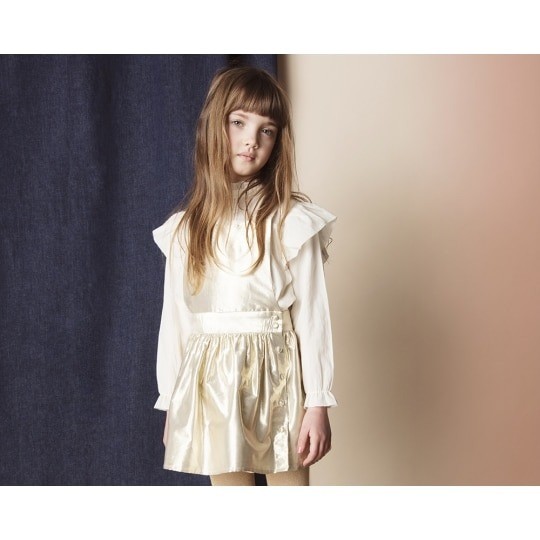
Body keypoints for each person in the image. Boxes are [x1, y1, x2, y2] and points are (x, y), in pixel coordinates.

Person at [151, 66, 337, 486]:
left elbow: (312, 316)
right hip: (212, 383)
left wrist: (317, 402)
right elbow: (177, 321)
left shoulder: (291, 222)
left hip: (279, 379)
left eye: (266, 130)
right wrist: (174, 401)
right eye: (239, 123)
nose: (252, 139)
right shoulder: (185, 230)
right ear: (215, 126)